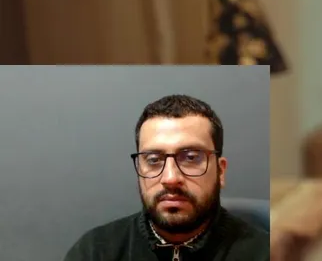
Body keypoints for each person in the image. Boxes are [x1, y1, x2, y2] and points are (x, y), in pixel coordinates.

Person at [63, 94, 268, 260]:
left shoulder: (265, 253)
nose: (170, 178)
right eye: (153, 160)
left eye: (190, 158)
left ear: (220, 171)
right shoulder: (94, 252)